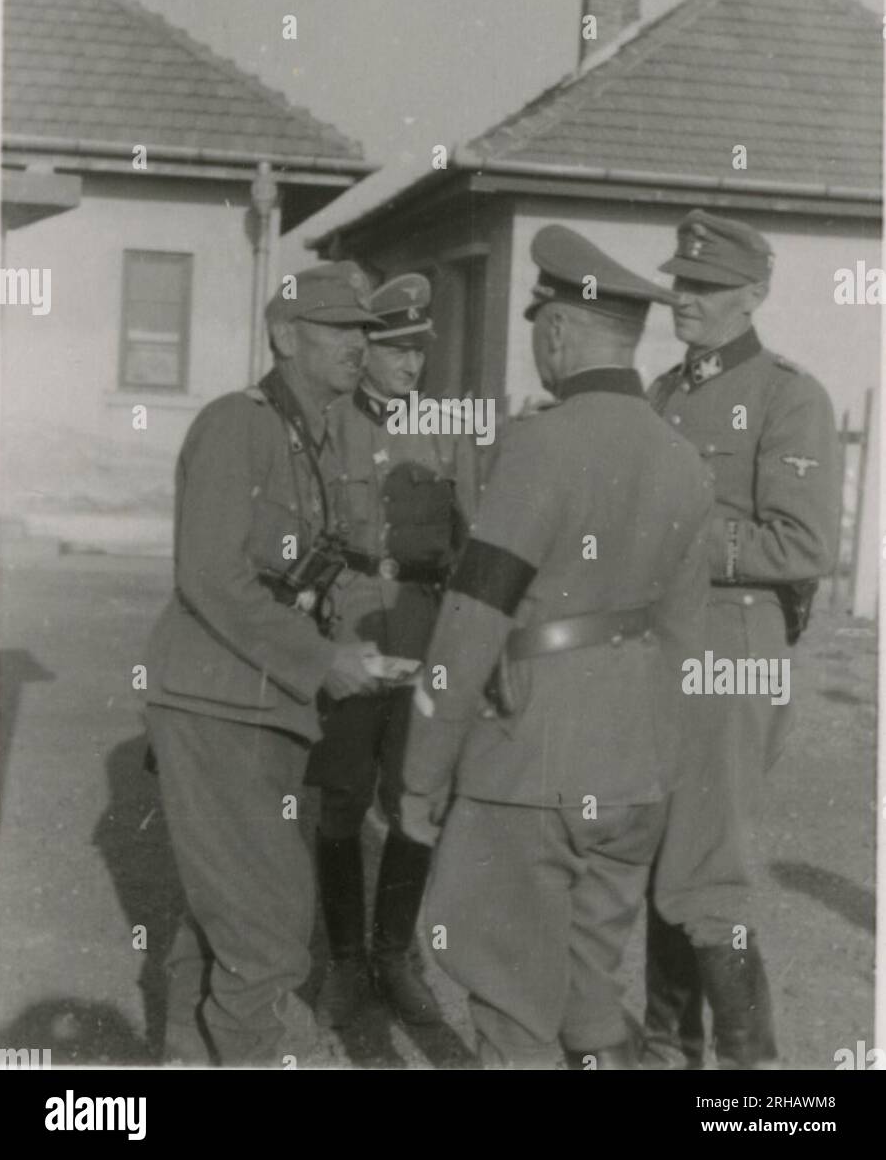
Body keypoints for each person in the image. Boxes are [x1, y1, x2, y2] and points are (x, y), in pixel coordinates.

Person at [399, 224, 714, 1069]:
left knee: (507, 995)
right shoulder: (683, 459)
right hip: (631, 773)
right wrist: (660, 767)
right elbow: (687, 640)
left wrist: (422, 773)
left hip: (530, 765)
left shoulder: (539, 445)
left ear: (555, 331)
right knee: (587, 984)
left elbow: (472, 619)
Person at [144, 261, 385, 1067]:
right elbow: (210, 576)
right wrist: (321, 661)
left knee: (222, 915)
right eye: (338, 329)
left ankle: (185, 1055)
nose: (359, 345)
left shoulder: (315, 435)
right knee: (269, 926)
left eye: (364, 331)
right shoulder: (235, 425)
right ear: (284, 337)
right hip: (220, 705)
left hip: (263, 706)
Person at [643, 209, 839, 1071]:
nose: (683, 298)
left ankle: (753, 1084)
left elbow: (802, 547)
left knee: (706, 866)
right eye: (680, 281)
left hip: (731, 653)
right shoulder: (661, 392)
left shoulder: (787, 397)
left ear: (752, 297)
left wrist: (680, 538)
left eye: (705, 287)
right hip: (660, 650)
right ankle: (665, 1050)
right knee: (661, 849)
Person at [306, 273, 477, 1028]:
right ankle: (344, 960)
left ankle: (394, 955)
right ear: (363, 344)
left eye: (420, 351)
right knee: (342, 797)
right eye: (396, 348)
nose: (411, 366)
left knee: (416, 802)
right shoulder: (325, 425)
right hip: (346, 628)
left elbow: (468, 544)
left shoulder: (442, 430)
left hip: (420, 628)